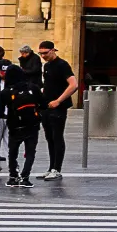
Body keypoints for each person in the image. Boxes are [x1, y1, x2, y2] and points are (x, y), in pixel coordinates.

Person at [34, 40, 77, 179]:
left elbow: (73, 85)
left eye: (45, 53)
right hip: (46, 107)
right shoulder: (46, 66)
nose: (43, 56)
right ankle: (51, 167)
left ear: (53, 50)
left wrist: (59, 101)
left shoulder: (62, 65)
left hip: (58, 108)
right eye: (40, 53)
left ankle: (57, 169)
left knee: (57, 137)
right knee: (49, 138)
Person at [4, 48, 46, 188]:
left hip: (14, 125)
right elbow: (43, 104)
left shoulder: (7, 91)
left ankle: (12, 177)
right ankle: (25, 177)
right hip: (32, 125)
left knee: (13, 151)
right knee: (30, 151)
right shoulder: (33, 88)